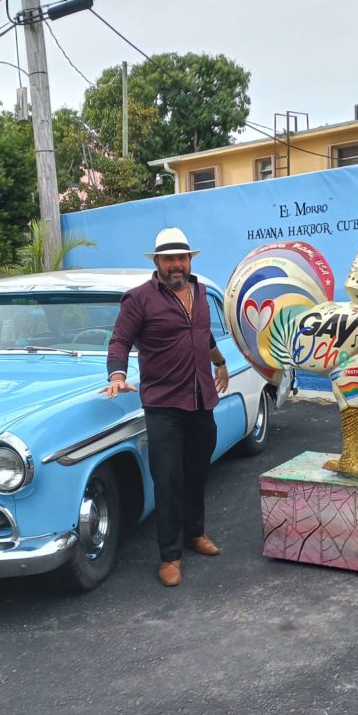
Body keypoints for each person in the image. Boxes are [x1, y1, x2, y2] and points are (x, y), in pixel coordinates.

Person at [103, 227, 230, 588]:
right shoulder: (139, 299)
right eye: (169, 259)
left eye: (182, 258)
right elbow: (120, 340)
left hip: (201, 400)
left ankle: (195, 533)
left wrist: (219, 362)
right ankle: (170, 555)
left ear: (190, 260)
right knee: (168, 478)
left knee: (197, 471)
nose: (177, 264)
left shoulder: (201, 292)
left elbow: (202, 334)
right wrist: (117, 374)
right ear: (157, 262)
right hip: (164, 406)